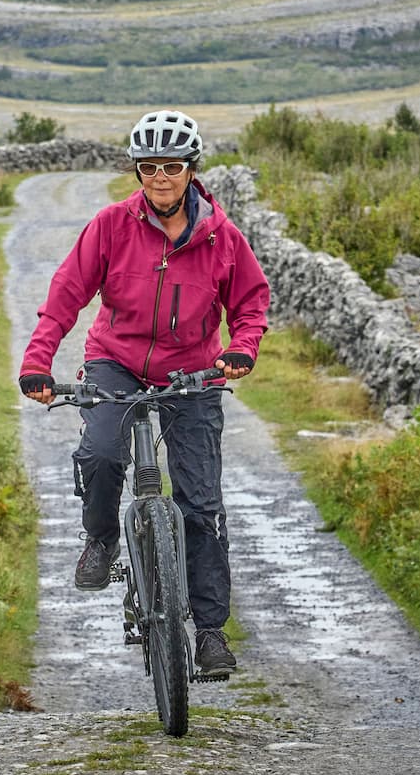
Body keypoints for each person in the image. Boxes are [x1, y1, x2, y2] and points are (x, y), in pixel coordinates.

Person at [17, 109, 271, 673]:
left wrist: (241, 348)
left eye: (172, 166)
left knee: (202, 506)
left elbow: (251, 302)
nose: (161, 177)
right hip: (116, 362)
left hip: (194, 371)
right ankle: (102, 539)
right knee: (103, 452)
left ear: (190, 170)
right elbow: (65, 296)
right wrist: (38, 360)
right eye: (150, 166)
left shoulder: (221, 237)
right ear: (137, 171)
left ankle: (209, 634)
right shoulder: (110, 225)